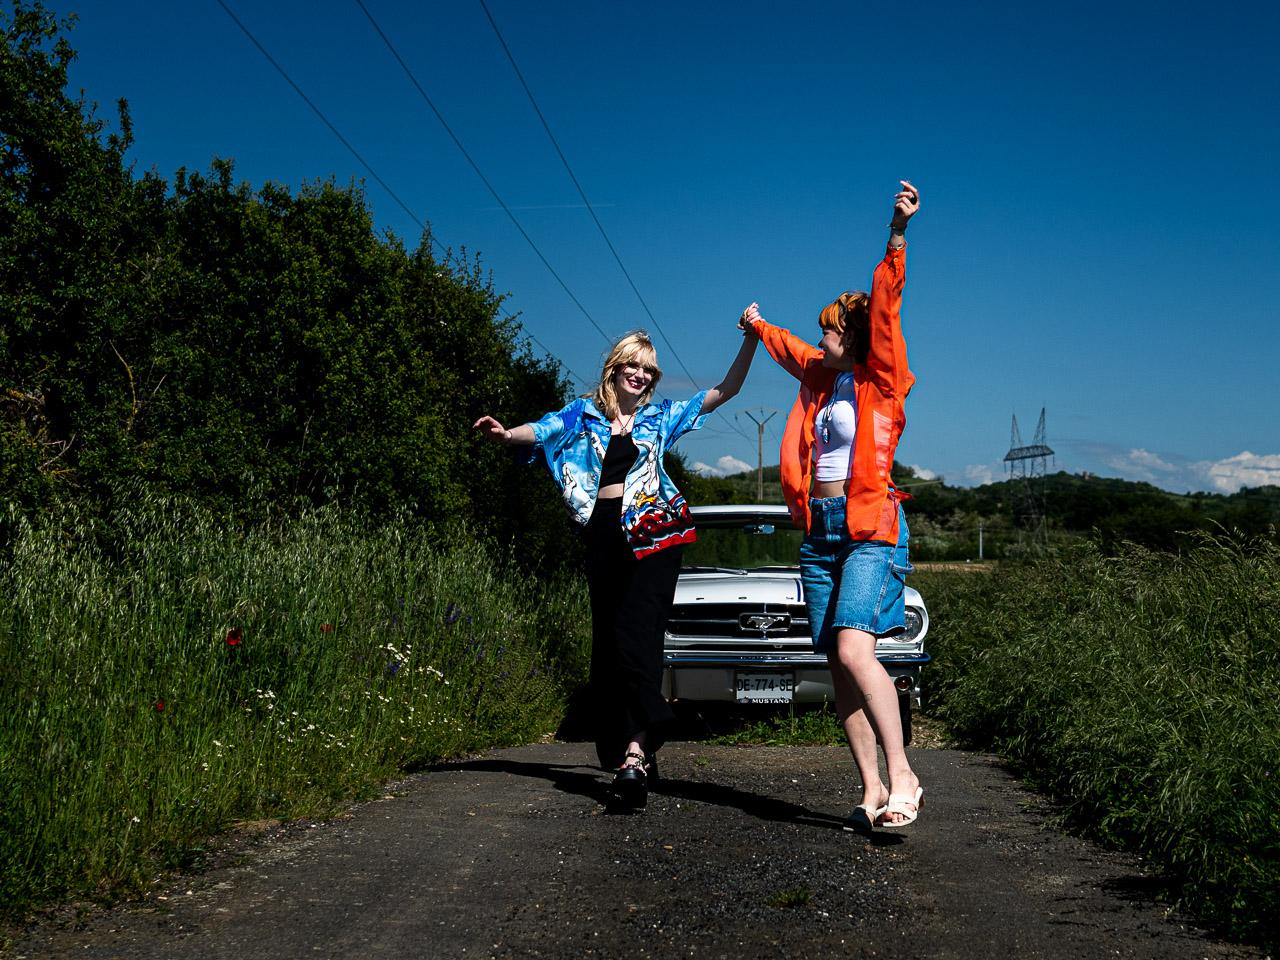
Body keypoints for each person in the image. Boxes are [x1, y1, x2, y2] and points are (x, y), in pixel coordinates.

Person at [473, 327, 759, 808]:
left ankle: (633, 755)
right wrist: (505, 435)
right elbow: (539, 431)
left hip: (654, 536)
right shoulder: (581, 414)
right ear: (615, 368)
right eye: (634, 365)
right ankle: (634, 739)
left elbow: (725, 390)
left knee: (637, 636)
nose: (641, 375)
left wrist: (751, 339)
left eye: (649, 370)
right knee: (609, 642)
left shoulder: (662, 417)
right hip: (602, 534)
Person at [739, 181, 923, 829]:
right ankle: (871, 789)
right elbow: (789, 347)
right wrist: (758, 325)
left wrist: (896, 234)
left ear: (855, 333)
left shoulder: (884, 378)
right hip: (820, 534)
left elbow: (888, 304)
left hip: (871, 525)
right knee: (837, 666)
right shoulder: (820, 374)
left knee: (853, 650)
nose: (821, 340)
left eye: (830, 331)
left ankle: (904, 775)